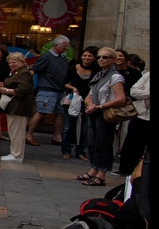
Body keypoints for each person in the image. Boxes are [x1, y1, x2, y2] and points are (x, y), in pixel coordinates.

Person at [75, 48, 126, 187]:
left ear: (113, 60)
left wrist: (100, 106)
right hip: (94, 112)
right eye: (99, 57)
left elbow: (121, 98)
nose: (101, 60)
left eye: (105, 57)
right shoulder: (99, 75)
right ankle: (94, 169)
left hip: (105, 113)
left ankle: (102, 174)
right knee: (92, 142)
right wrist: (90, 104)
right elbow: (89, 95)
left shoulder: (115, 77)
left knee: (103, 143)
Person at [25, 35, 70, 147]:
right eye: (64, 46)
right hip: (47, 89)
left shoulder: (63, 58)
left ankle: (57, 136)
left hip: (61, 90)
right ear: (56, 45)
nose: (66, 48)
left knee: (60, 113)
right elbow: (34, 70)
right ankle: (29, 135)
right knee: (41, 112)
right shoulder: (46, 57)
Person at [0, 52, 36, 162]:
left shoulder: (24, 73)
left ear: (22, 62)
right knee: (13, 131)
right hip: (14, 106)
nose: (12, 64)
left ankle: (17, 154)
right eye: (10, 62)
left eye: (14, 62)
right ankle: (14, 153)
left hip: (19, 107)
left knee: (17, 132)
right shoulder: (16, 73)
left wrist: (6, 90)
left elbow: (23, 89)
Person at [60, 46, 98, 161]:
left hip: (88, 101)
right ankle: (66, 150)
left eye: (90, 56)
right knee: (67, 127)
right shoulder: (73, 68)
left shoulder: (96, 70)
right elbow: (65, 83)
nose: (87, 58)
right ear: (81, 56)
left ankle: (80, 151)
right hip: (73, 100)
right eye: (85, 55)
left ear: (94, 58)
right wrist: (72, 88)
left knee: (85, 128)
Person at [116, 70, 149, 176]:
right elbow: (134, 91)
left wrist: (143, 94)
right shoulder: (148, 75)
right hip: (140, 115)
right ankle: (126, 170)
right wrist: (148, 94)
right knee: (131, 145)